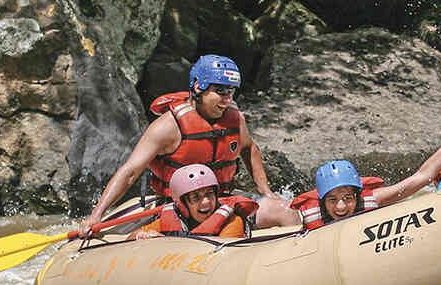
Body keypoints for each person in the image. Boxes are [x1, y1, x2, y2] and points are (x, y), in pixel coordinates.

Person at [80, 54, 299, 237]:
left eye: (231, 91)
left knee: (285, 213)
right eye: (220, 91)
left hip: (221, 199)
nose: (226, 99)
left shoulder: (235, 119)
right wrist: (97, 214)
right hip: (175, 205)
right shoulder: (168, 127)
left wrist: (266, 192)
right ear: (198, 87)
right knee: (98, 235)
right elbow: (130, 171)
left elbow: (249, 149)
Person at [291, 116, 441, 230]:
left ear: (357, 195)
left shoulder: (370, 201)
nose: (341, 207)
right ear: (322, 201)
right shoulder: (308, 216)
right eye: (332, 200)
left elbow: (423, 176)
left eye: (348, 198)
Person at [130, 164, 257, 240]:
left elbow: (219, 258)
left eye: (209, 194)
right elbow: (132, 237)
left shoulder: (232, 222)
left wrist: (165, 243)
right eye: (196, 198)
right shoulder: (172, 219)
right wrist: (142, 236)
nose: (206, 202)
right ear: (182, 205)